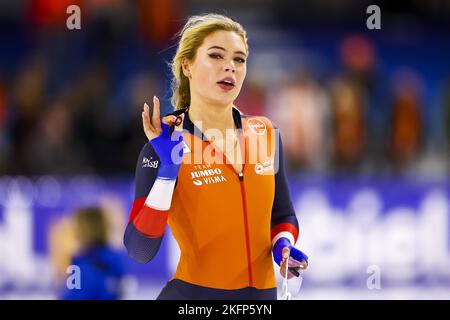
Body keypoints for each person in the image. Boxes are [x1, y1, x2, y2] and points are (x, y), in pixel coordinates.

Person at [123, 13, 308, 300]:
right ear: (188, 66)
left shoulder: (267, 133)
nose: (230, 67)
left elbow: (282, 214)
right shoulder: (165, 143)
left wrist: (283, 246)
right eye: (216, 56)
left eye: (239, 59)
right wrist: (168, 172)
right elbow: (139, 250)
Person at [61, 207, 128, 300]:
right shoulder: (115, 260)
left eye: (75, 228)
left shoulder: (84, 264)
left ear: (82, 231)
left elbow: (77, 295)